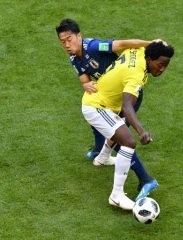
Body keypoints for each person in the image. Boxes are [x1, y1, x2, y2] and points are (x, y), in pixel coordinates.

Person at [56, 19, 159, 201]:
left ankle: (145, 179)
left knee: (121, 138)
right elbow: (83, 75)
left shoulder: (94, 47)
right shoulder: (73, 54)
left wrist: (152, 44)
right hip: (106, 97)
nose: (66, 44)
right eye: (62, 41)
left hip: (125, 96)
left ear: (79, 36)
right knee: (101, 125)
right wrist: (86, 84)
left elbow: (123, 44)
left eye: (69, 39)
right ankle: (101, 153)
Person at [82, 41, 174, 209]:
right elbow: (127, 106)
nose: (161, 69)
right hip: (97, 107)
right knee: (129, 141)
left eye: (165, 66)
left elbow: (147, 43)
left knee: (121, 135)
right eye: (160, 65)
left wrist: (156, 42)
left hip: (103, 105)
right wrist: (142, 131)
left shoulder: (139, 50)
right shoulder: (137, 74)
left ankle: (102, 158)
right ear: (149, 58)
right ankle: (116, 196)